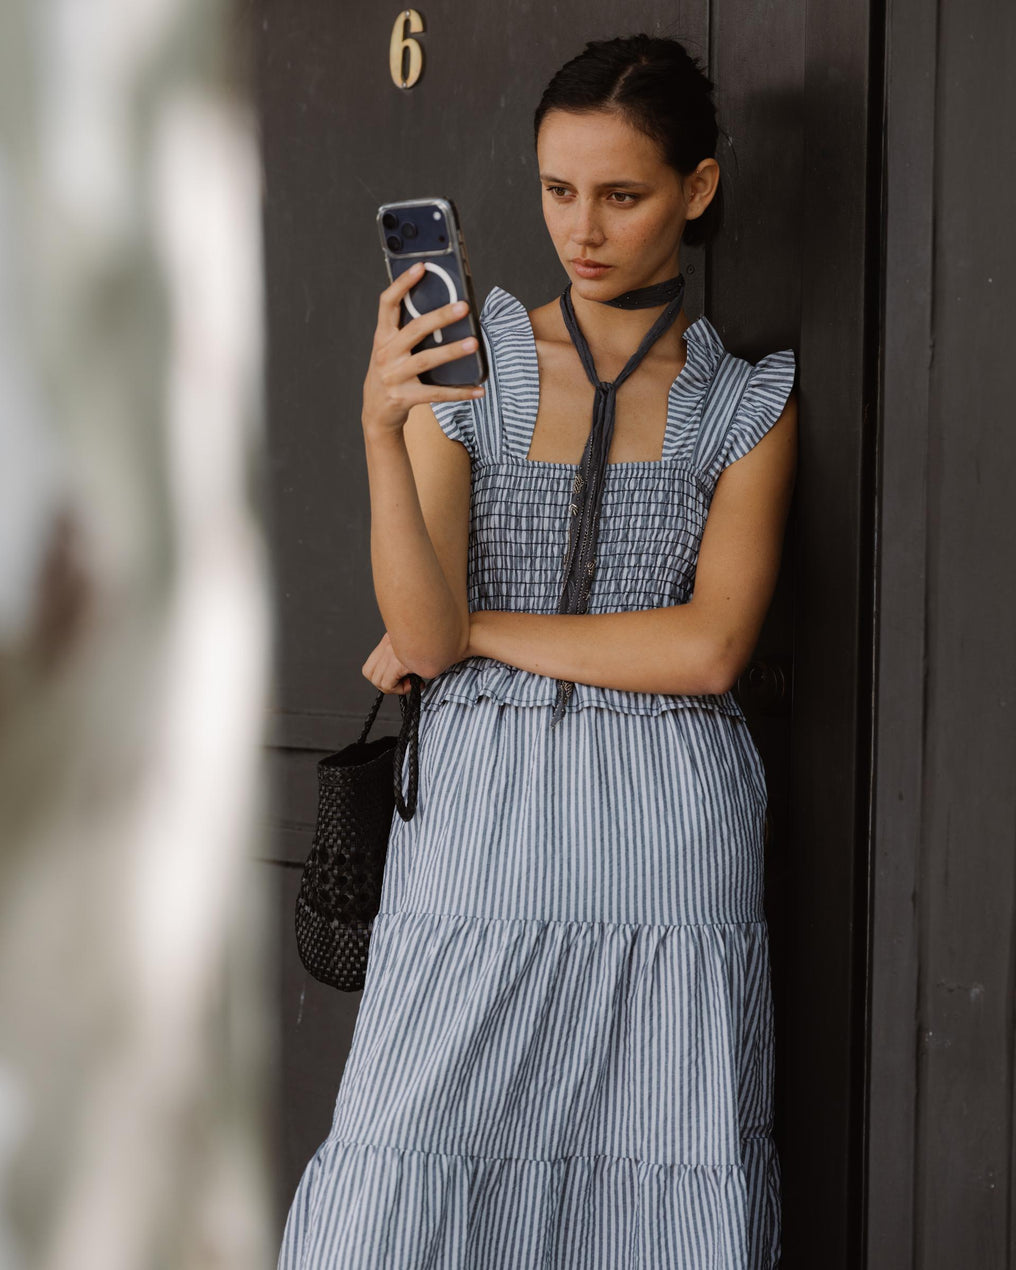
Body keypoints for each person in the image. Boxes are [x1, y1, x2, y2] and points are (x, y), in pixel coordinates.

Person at [278, 32, 797, 1270]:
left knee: (655, 1166)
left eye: (621, 194)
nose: (583, 228)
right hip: (480, 823)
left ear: (697, 190)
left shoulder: (745, 400)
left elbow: (711, 648)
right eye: (558, 191)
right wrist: (376, 426)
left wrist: (475, 637)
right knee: (403, 1166)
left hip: (668, 833)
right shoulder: (478, 366)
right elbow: (418, 629)